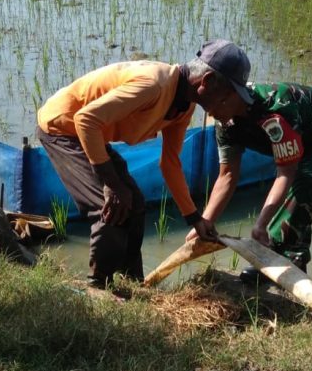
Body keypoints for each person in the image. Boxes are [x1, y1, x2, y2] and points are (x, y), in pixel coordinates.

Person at [36, 40, 253, 288]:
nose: (228, 103)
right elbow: (85, 120)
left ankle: (133, 282)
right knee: (109, 206)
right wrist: (112, 184)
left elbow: (170, 163)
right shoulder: (153, 85)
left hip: (90, 132)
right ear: (207, 81)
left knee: (135, 203)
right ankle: (99, 286)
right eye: (227, 95)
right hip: (62, 127)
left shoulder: (183, 106)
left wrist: (195, 219)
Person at [189, 82, 312, 281]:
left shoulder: (275, 110)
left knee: (306, 180)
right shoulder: (226, 122)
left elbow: (286, 173)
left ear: (232, 96)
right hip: (302, 136)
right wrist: (204, 222)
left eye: (214, 107)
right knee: (300, 186)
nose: (212, 114)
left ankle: (287, 259)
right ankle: (282, 255)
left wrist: (260, 224)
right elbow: (227, 175)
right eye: (207, 109)